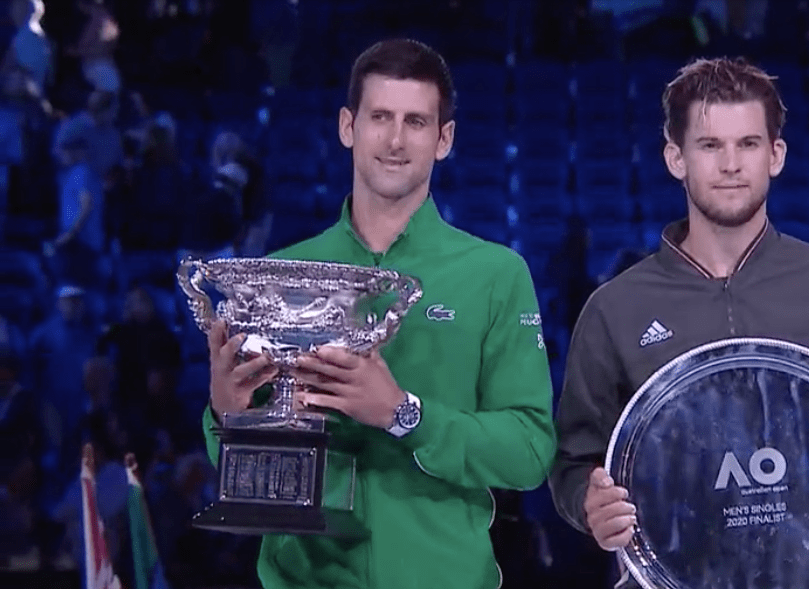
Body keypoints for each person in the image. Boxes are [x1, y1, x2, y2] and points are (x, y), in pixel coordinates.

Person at [548, 57, 809, 588]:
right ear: (675, 158)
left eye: (748, 144)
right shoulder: (615, 308)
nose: (730, 164)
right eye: (710, 145)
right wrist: (586, 503)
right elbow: (575, 461)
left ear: (775, 155)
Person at [201, 39, 556, 589]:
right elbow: (242, 463)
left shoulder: (495, 274)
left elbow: (529, 452)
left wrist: (402, 413)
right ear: (348, 127)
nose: (394, 140)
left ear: (445, 140)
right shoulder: (280, 273)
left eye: (416, 122)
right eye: (380, 117)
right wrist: (228, 414)